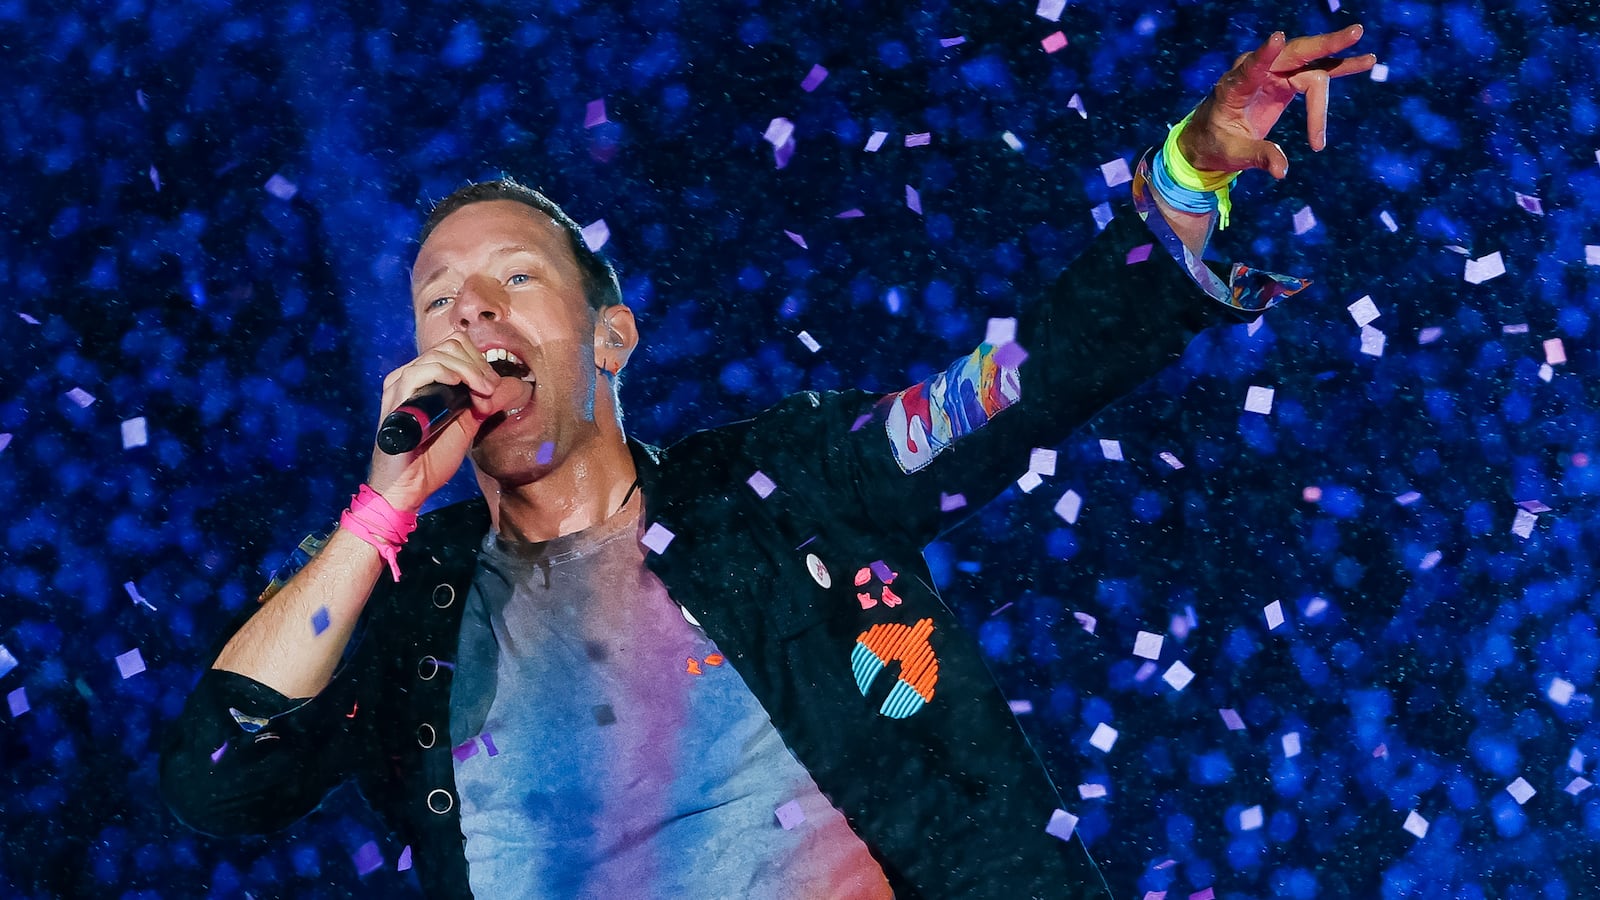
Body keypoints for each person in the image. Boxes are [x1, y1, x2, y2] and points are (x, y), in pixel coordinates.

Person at [160, 27, 1374, 899]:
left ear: (611, 337)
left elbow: (1020, 384)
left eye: (514, 279)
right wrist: (382, 511)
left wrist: (1186, 177)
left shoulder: (786, 487)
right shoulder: (401, 606)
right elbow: (219, 781)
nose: (472, 314)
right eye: (439, 301)